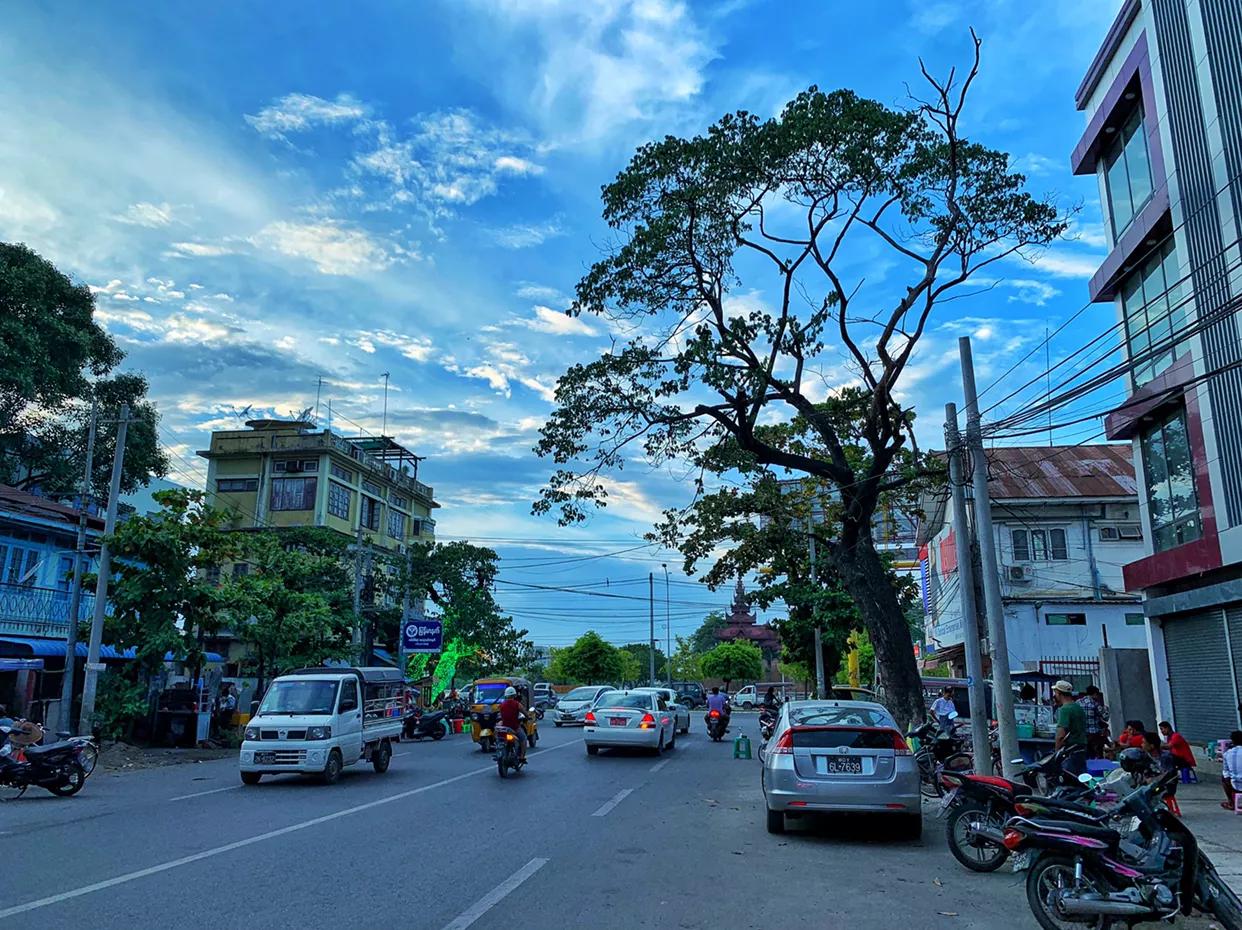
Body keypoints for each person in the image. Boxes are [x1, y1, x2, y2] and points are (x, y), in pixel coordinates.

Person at [1052, 680, 1088, 776]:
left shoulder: (1065, 709)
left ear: (1059, 694)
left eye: (1055, 693)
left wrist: (1056, 753)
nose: (1054, 696)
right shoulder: (1078, 707)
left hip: (1070, 751)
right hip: (1081, 748)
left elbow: (1060, 735)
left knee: (1068, 779)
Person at [1077, 685, 1109, 759]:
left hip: (1082, 733)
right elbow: (1105, 717)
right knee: (1097, 755)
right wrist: (1106, 708)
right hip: (1094, 734)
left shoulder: (1078, 702)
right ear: (1095, 694)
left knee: (1086, 754)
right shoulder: (1095, 704)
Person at [497, 686, 528, 760]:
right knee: (523, 739)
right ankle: (522, 757)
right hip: (514, 727)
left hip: (504, 728)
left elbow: (500, 715)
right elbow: (525, 713)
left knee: (499, 738)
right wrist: (528, 717)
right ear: (514, 695)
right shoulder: (517, 704)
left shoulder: (502, 705)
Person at [1222, 730, 1242, 810]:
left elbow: (1225, 773)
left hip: (1235, 785)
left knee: (1224, 777)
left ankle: (1231, 802)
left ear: (1232, 741)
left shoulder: (1227, 753)